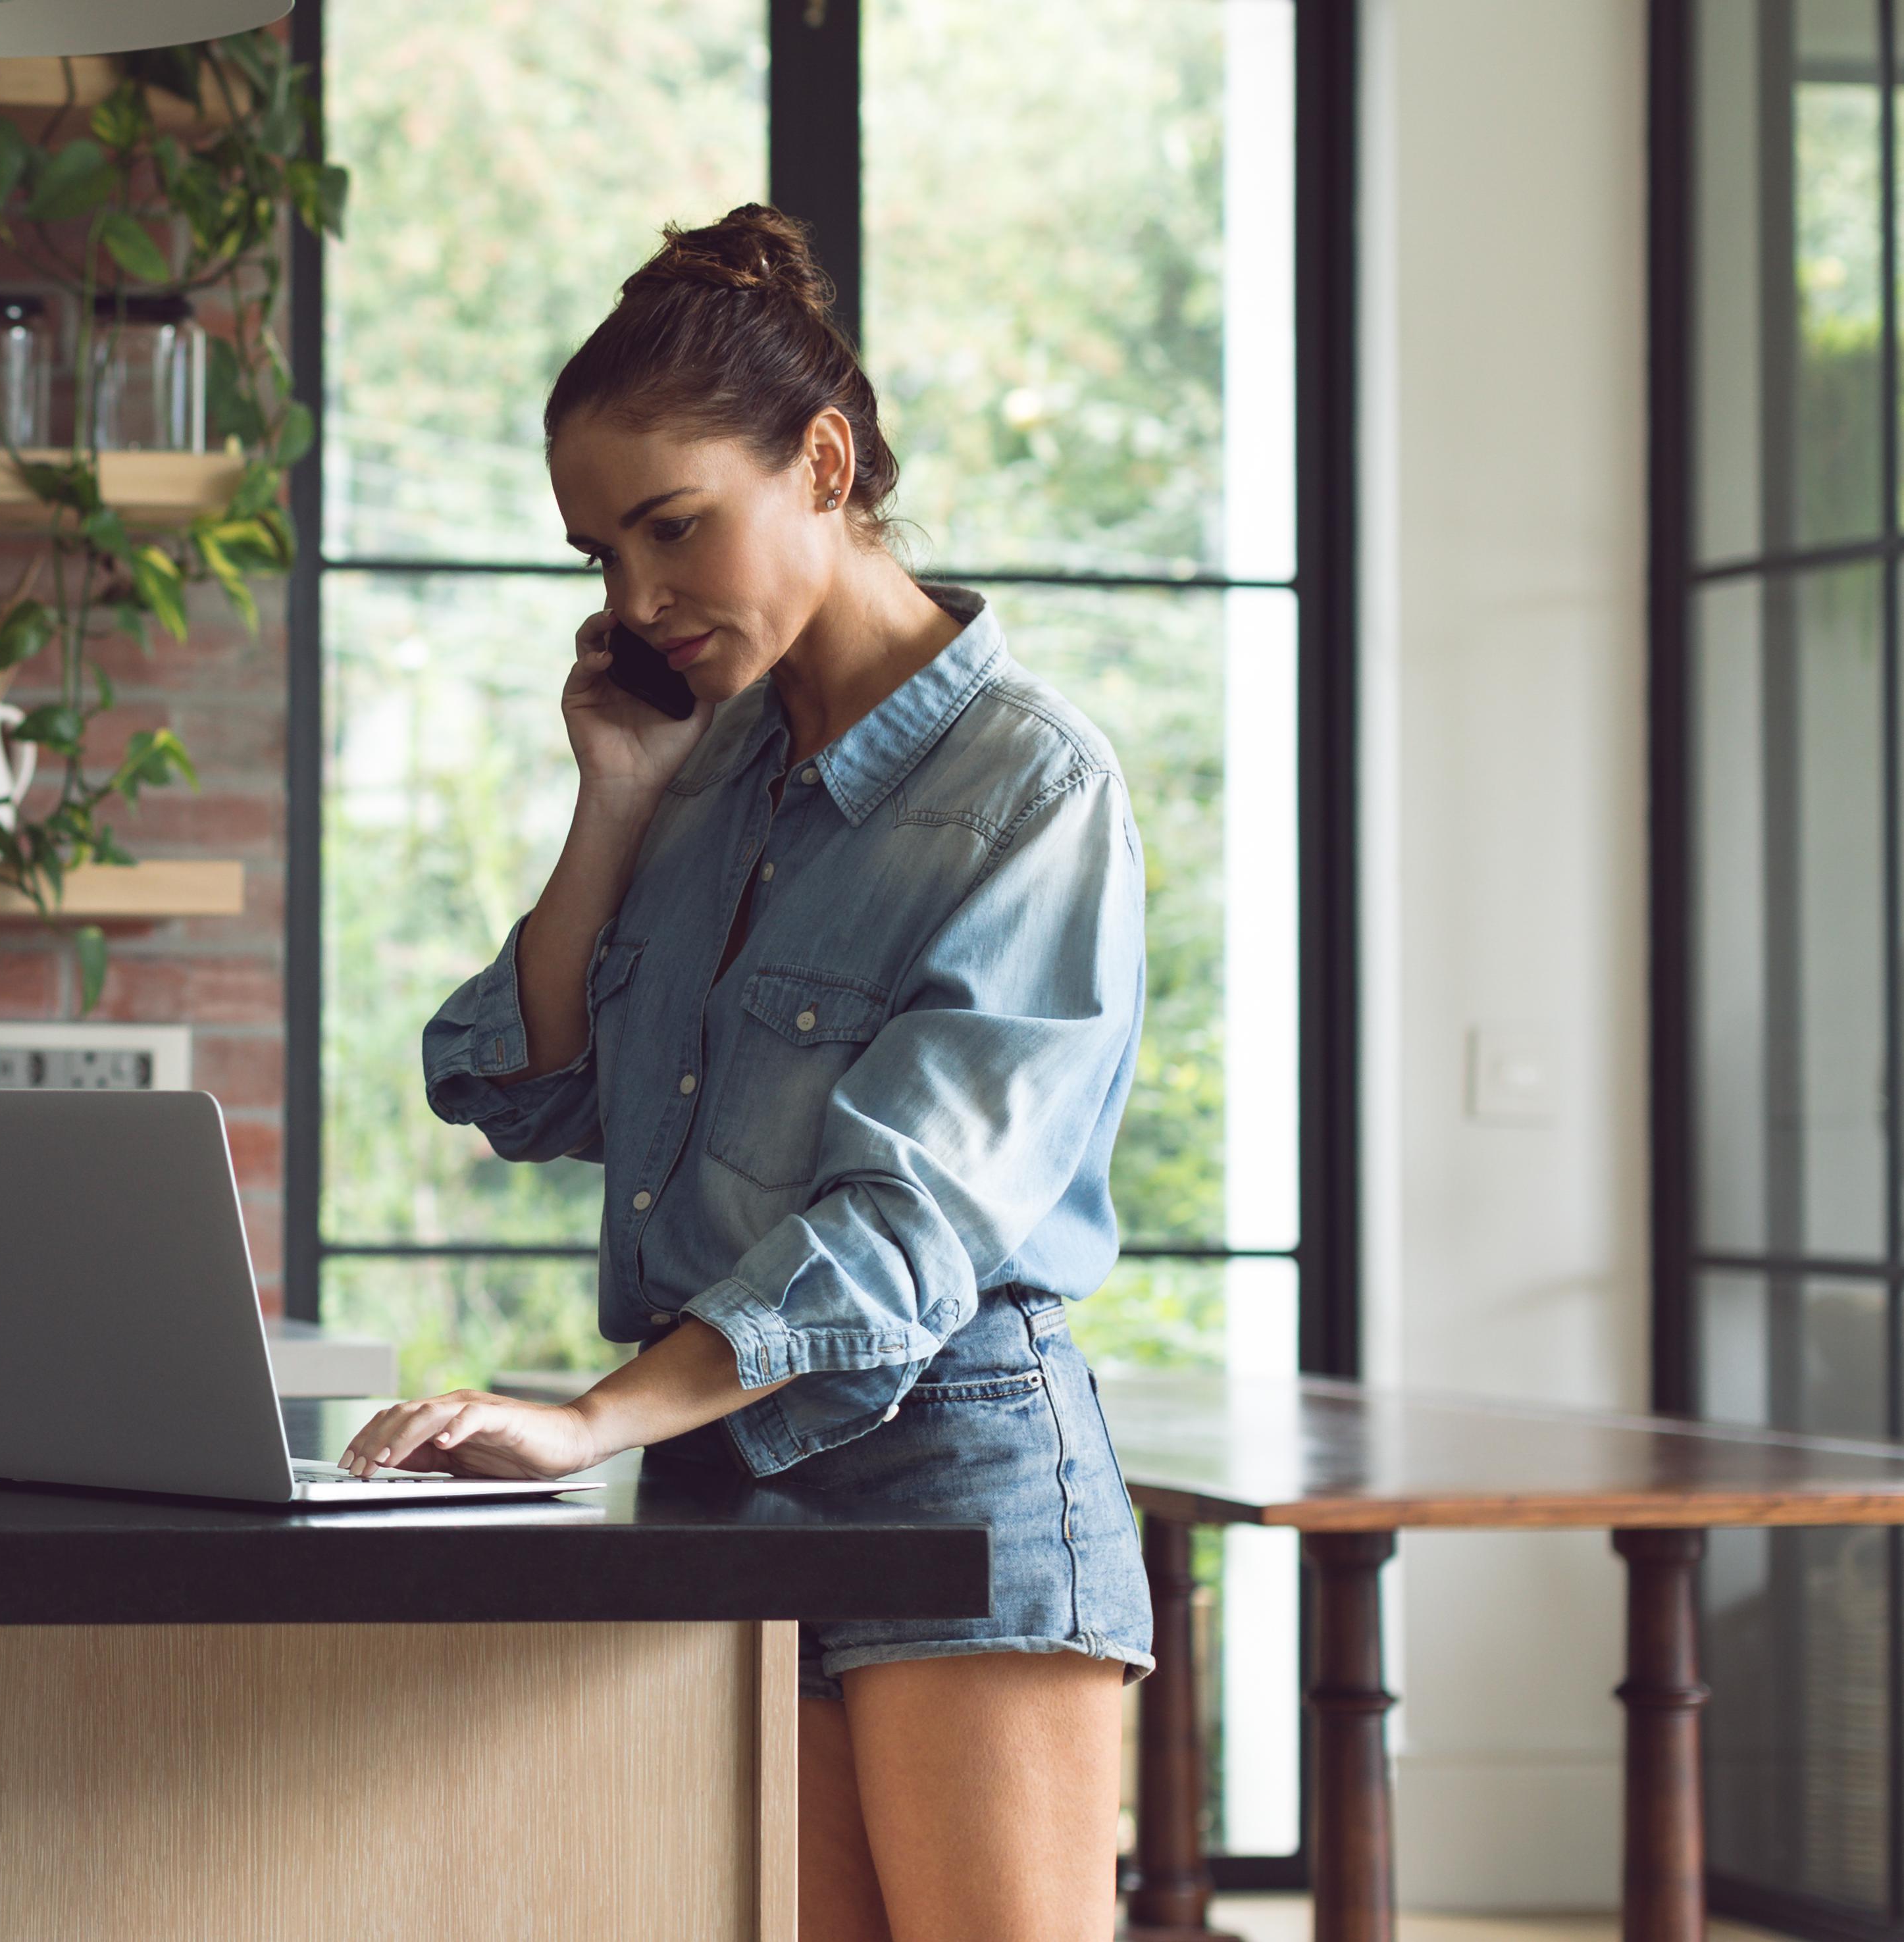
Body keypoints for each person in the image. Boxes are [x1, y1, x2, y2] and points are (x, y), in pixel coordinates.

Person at [340, 204, 1155, 1942]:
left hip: (955, 1468)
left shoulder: (1028, 790)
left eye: (671, 529)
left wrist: (587, 1423)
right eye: (595, 559)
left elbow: (905, 1224)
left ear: (822, 464)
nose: (637, 601)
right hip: (728, 1468)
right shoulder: (705, 766)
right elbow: (526, 1089)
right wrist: (618, 794)